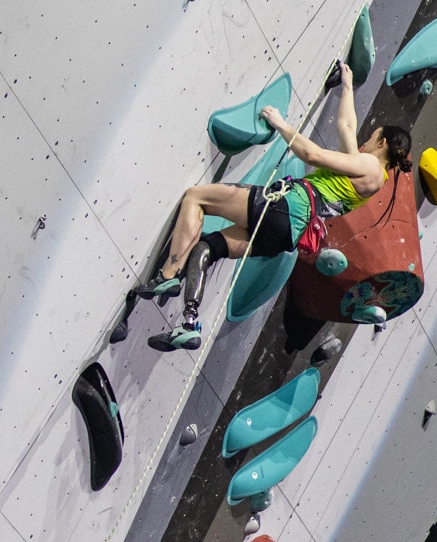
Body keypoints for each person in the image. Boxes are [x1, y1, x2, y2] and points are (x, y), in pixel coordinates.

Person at [141, 64, 414, 349]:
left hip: (286, 208)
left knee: (196, 197)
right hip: (286, 235)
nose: (364, 142)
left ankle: (168, 277)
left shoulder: (369, 164)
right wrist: (347, 85)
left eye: (372, 138)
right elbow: (346, 126)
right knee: (207, 248)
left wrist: (280, 123)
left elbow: (312, 154)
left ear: (381, 143)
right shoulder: (373, 179)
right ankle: (189, 323)